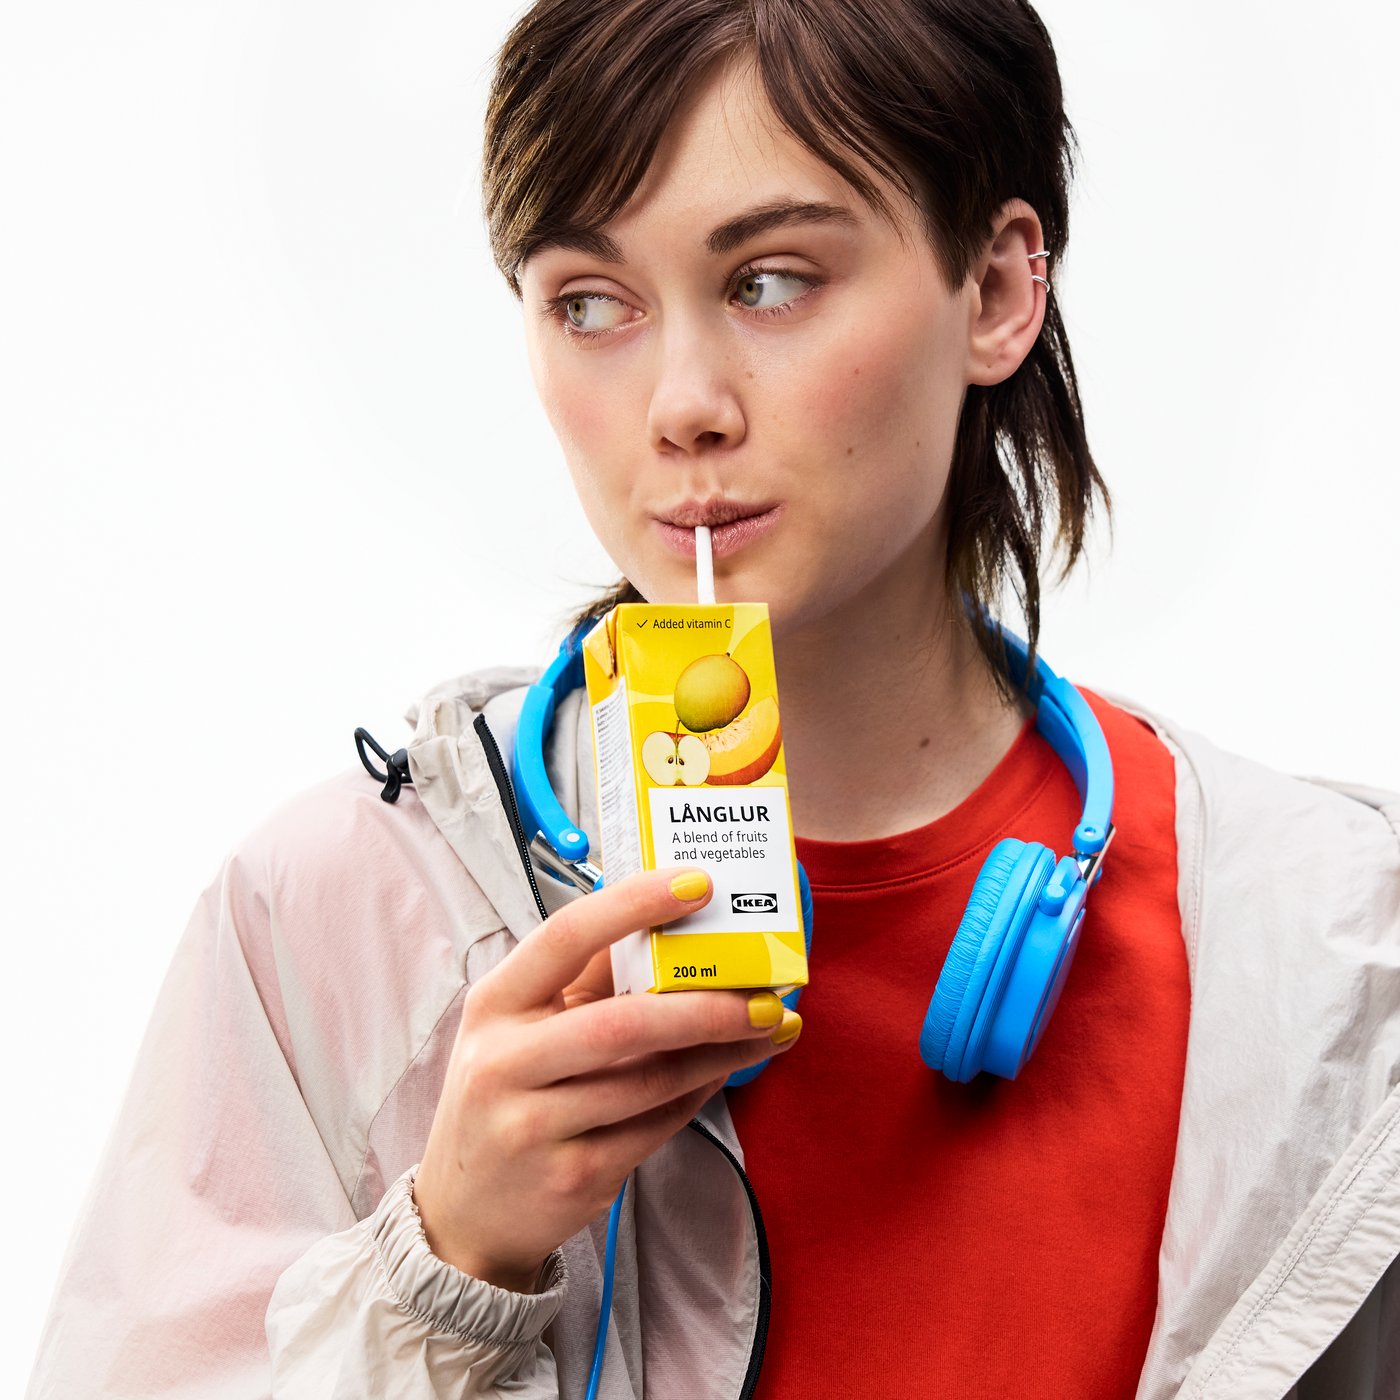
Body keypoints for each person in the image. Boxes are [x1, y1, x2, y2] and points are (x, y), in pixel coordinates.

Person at [25, 0, 1400, 1396]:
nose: (681, 402)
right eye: (590, 303)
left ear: (995, 292)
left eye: (770, 281)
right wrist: (441, 1269)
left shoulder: (1331, 952)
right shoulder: (333, 919)